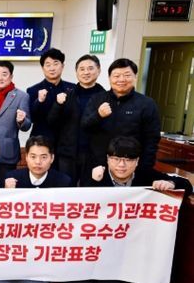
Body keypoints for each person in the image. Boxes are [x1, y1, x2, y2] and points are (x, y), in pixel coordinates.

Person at [4, 136, 71, 283]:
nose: (38, 162)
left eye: (43, 157)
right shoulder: (12, 179)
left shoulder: (64, 181)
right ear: (26, 157)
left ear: (52, 158)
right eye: (33, 157)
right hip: (21, 231)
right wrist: (7, 193)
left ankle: (55, 276)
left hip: (50, 232)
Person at [82, 58, 161, 171]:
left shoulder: (147, 104)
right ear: (109, 78)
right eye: (116, 76)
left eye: (127, 75)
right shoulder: (97, 99)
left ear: (135, 77)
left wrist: (144, 168)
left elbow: (152, 140)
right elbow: (84, 126)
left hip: (129, 167)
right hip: (98, 164)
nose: (121, 79)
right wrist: (98, 115)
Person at [47, 54, 106, 185]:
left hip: (94, 156)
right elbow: (51, 122)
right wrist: (58, 105)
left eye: (90, 68)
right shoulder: (67, 95)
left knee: (90, 191)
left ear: (99, 70)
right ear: (76, 72)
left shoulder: (106, 97)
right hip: (67, 154)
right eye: (82, 69)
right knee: (65, 190)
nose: (86, 72)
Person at [85, 136, 192, 194]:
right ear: (108, 159)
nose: (121, 165)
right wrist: (93, 181)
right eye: (116, 159)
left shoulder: (144, 173)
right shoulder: (98, 174)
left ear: (137, 161)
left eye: (128, 160)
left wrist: (171, 183)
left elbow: (187, 185)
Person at [27, 48, 75, 144]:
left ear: (62, 66)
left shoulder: (72, 89)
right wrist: (39, 101)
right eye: (48, 65)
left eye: (55, 64)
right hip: (40, 141)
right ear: (42, 68)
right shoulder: (33, 90)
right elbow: (31, 118)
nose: (52, 68)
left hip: (65, 142)